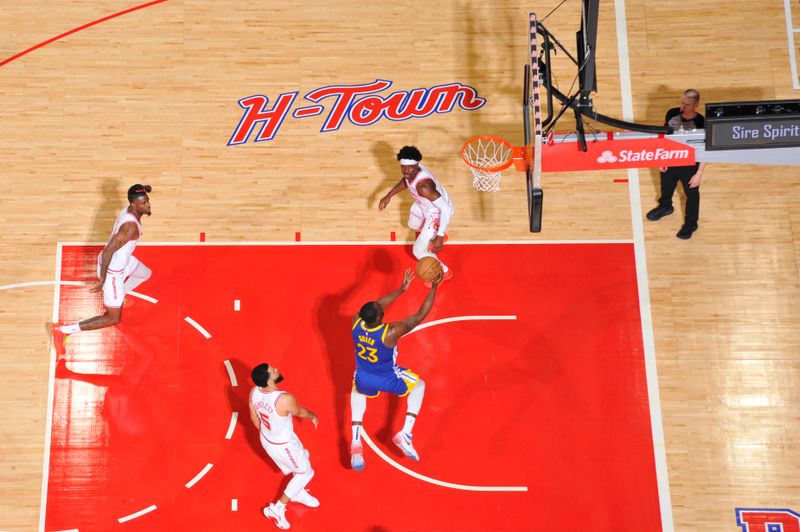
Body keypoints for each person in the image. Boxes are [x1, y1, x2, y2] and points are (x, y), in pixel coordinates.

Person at [349, 268, 442, 471]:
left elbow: (375, 306)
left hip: (364, 375)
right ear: (380, 316)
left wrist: (401, 290)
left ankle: (356, 441)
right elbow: (419, 315)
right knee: (419, 386)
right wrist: (434, 286)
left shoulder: (356, 322)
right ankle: (405, 433)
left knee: (358, 390)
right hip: (386, 377)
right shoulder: (390, 332)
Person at [51, 184, 154, 354]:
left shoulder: (128, 209)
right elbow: (107, 252)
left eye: (147, 201)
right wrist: (103, 280)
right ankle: (62, 331)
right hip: (113, 273)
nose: (148, 205)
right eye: (143, 203)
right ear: (134, 205)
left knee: (145, 274)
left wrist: (144, 189)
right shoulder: (130, 228)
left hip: (124, 261)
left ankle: (121, 297)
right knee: (113, 318)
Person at [249, 363, 320, 530]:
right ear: (268, 379)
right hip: (284, 444)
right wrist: (314, 416)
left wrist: (270, 435)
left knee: (304, 457)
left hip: (268, 439)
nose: (275, 369)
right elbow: (301, 412)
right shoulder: (284, 399)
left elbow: (254, 417)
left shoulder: (254, 391)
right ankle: (277, 509)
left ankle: (297, 492)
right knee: (306, 472)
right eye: (272, 371)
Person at [378, 146, 454, 284]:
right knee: (412, 223)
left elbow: (446, 209)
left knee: (418, 251)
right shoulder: (411, 172)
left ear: (417, 165)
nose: (406, 171)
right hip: (423, 205)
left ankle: (445, 271)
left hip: (436, 212)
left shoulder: (423, 185)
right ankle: (432, 236)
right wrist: (388, 196)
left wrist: (440, 236)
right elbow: (405, 181)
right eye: (403, 167)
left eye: (410, 168)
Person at [646, 89, 707, 239]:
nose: (682, 107)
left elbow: (705, 150)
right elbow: (665, 137)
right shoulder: (671, 113)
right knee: (666, 186)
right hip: (672, 158)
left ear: (696, 105)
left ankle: (691, 223)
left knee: (691, 194)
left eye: (687, 104)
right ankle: (665, 206)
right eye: (682, 102)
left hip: (690, 163)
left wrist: (699, 174)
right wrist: (662, 158)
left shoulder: (702, 123)